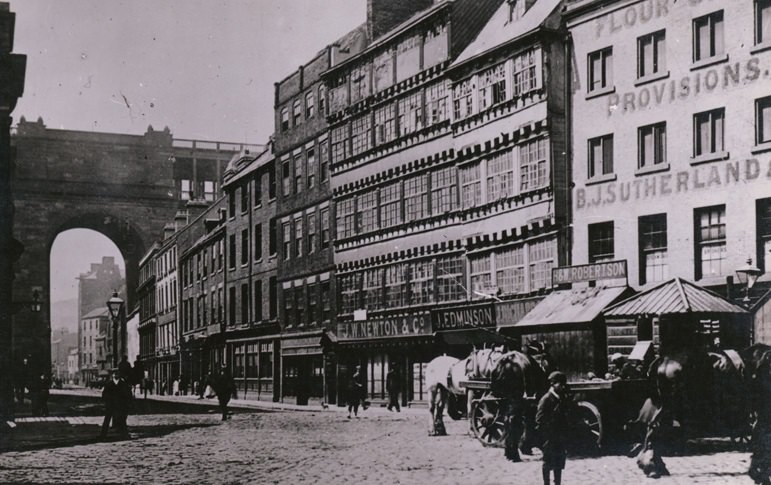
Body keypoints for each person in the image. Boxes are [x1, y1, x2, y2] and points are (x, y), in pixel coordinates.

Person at [535, 371, 572, 485]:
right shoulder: (546, 399)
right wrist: (546, 435)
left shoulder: (561, 398)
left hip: (560, 437)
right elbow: (539, 420)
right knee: (547, 462)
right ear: (553, 384)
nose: (562, 387)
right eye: (560, 384)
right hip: (549, 437)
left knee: (559, 463)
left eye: (563, 385)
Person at [100, 369, 132, 439]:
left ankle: (124, 434)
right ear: (112, 375)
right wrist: (108, 402)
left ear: (119, 375)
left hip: (120, 405)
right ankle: (103, 435)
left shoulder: (123, 384)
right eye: (114, 374)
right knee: (107, 420)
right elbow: (104, 395)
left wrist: (126, 404)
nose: (116, 375)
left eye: (117, 373)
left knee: (122, 420)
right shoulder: (108, 384)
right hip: (111, 405)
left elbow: (128, 395)